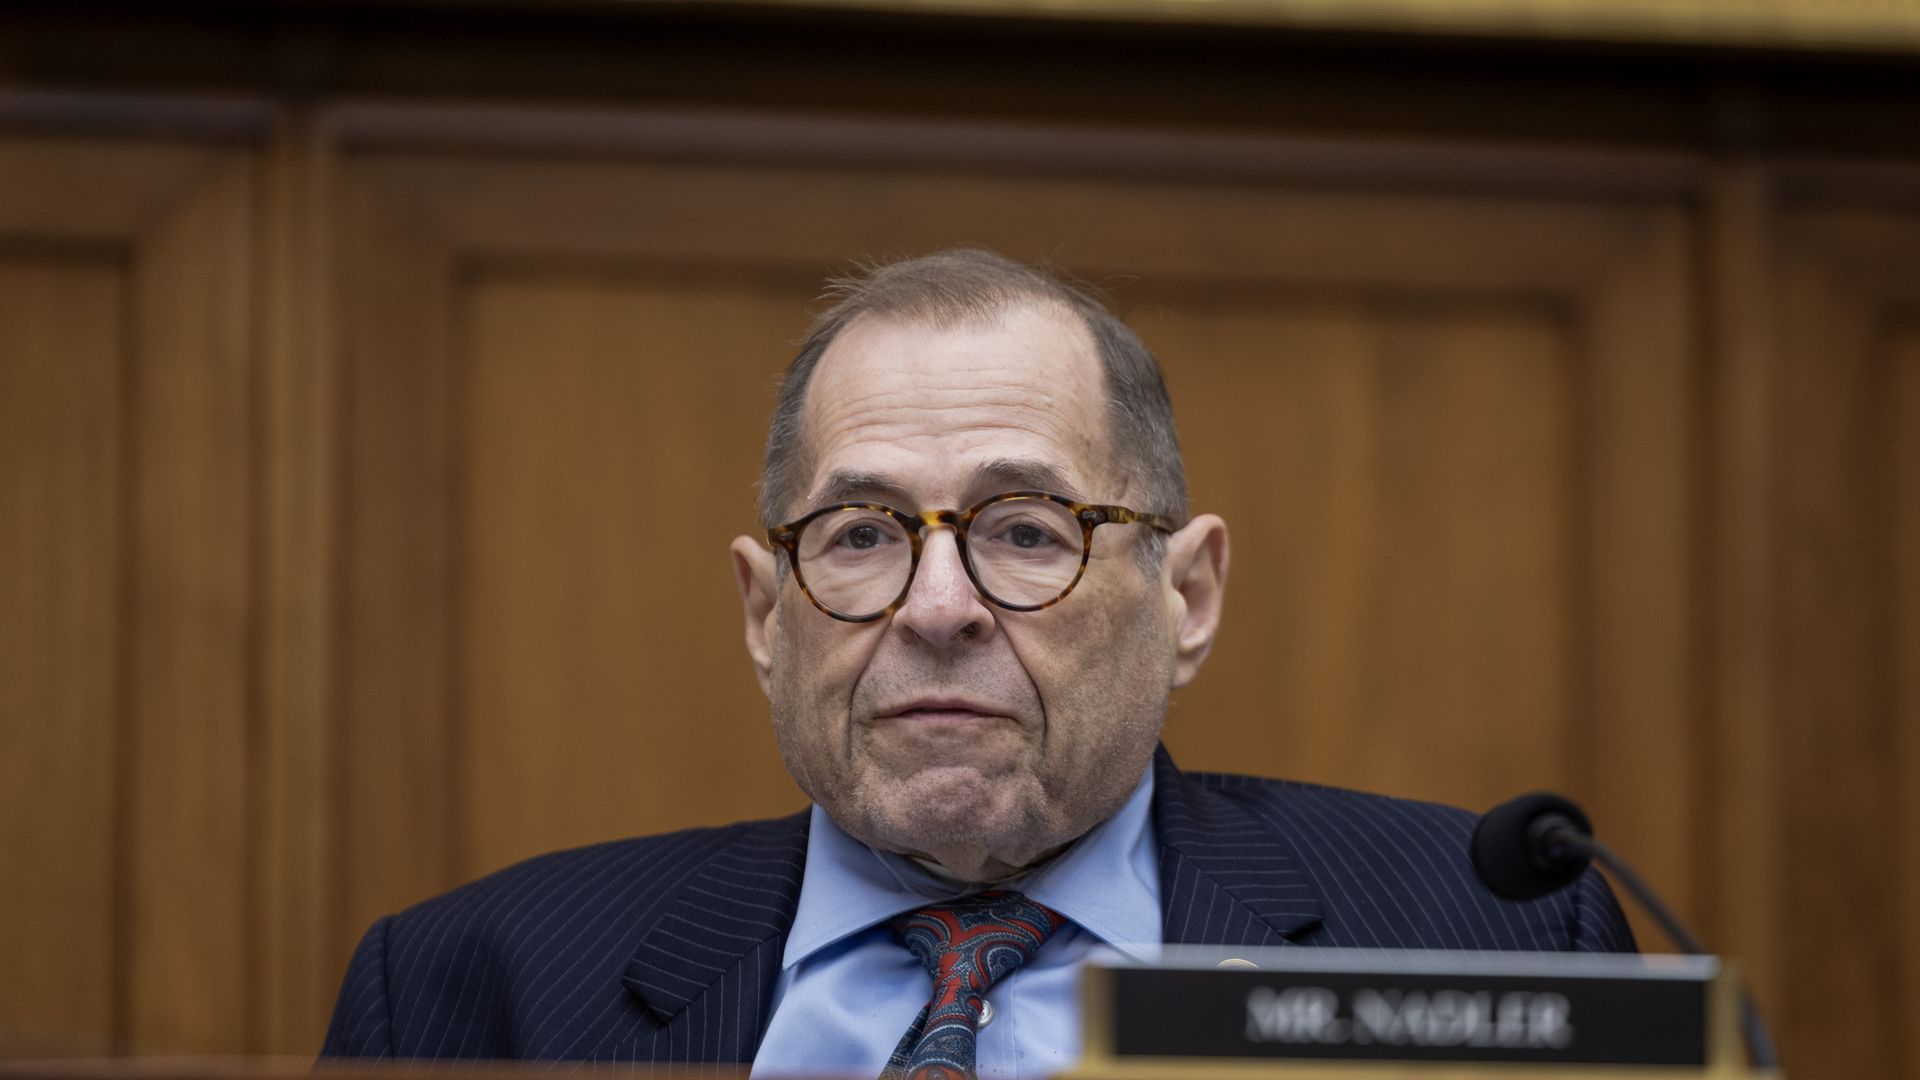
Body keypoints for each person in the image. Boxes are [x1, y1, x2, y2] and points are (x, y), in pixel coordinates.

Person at [321, 248, 1634, 1075]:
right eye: (860, 534)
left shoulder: (1492, 938)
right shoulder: (464, 990)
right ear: (766, 614)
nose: (936, 607)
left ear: (1186, 595)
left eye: (1024, 530)